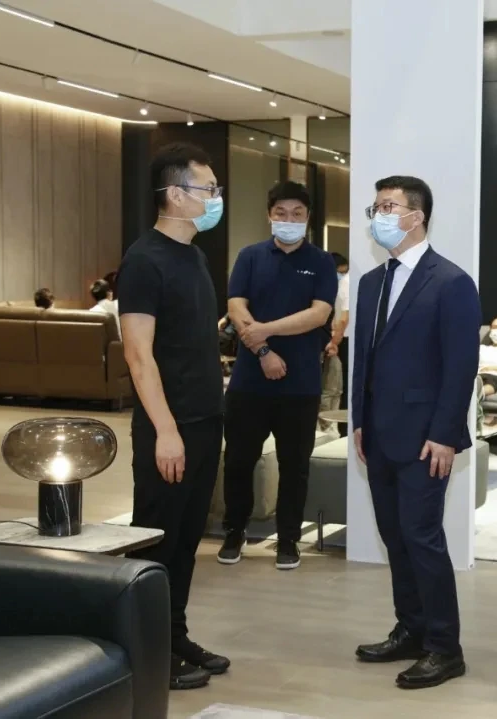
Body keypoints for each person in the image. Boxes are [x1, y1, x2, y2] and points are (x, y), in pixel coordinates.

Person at [352, 175, 480, 690]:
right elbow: (364, 360)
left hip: (427, 438)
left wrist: (446, 433)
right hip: (378, 435)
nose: (379, 215)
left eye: (388, 206)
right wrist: (358, 421)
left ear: (416, 216)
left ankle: (445, 648)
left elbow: (461, 366)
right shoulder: (370, 282)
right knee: (395, 538)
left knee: (422, 538)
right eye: (376, 207)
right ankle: (411, 629)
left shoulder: (451, 282)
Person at [117, 142, 228, 691]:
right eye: (209, 189)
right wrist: (165, 430)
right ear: (177, 194)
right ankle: (147, 653)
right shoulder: (144, 260)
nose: (216, 198)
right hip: (170, 426)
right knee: (158, 541)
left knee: (186, 540)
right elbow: (139, 355)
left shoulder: (195, 256)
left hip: (205, 421)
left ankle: (174, 635)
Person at [219, 180, 337, 571]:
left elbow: (319, 314)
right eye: (281, 213)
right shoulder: (250, 256)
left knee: (294, 466)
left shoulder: (320, 262)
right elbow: (236, 307)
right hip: (249, 382)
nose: (289, 219)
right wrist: (264, 351)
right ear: (269, 215)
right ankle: (234, 532)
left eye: (297, 213)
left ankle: (288, 540)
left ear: (308, 218)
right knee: (239, 461)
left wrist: (264, 331)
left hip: (300, 383)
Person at [320, 252, 350, 434]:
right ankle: (331, 428)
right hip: (336, 340)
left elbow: (343, 318)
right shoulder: (340, 284)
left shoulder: (344, 284)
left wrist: (334, 341)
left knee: (337, 387)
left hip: (340, 340)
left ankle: (339, 429)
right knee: (334, 386)